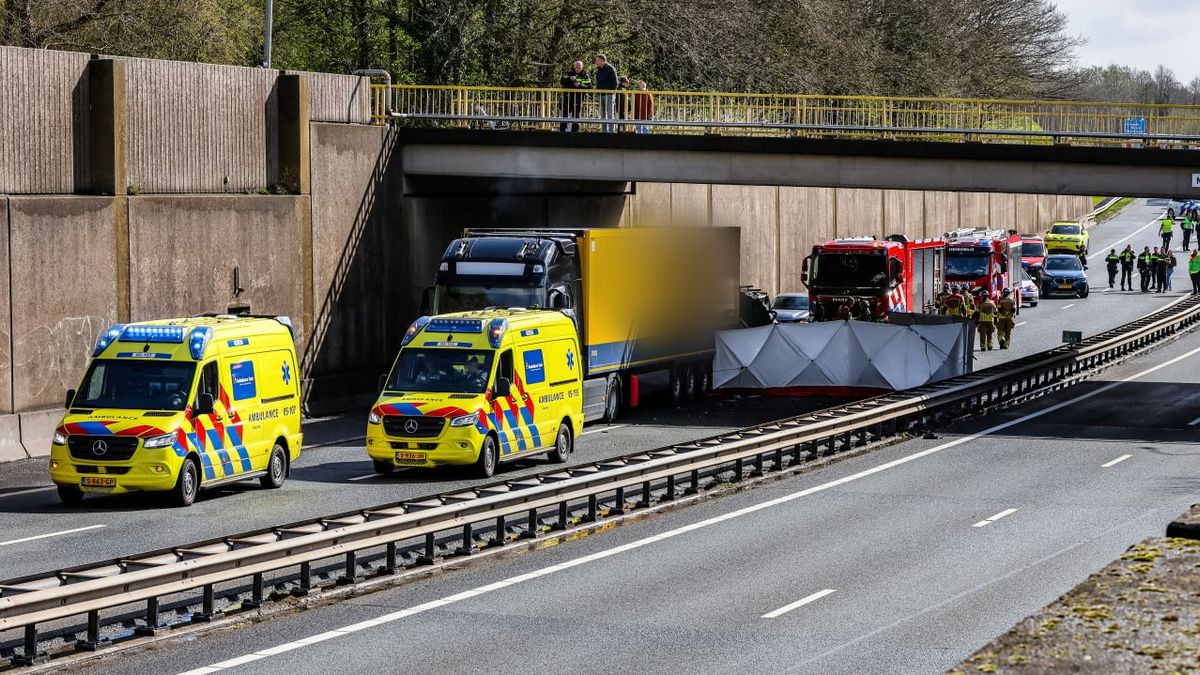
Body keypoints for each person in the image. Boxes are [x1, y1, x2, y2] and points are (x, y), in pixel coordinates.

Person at [559, 61, 590, 132]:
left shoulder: (585, 75)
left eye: (579, 67)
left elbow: (589, 86)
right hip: (567, 97)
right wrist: (569, 78)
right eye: (576, 67)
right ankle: (562, 131)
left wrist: (580, 85)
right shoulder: (568, 73)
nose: (578, 68)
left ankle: (575, 132)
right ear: (574, 67)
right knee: (565, 114)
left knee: (576, 115)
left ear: (582, 67)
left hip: (579, 98)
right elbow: (562, 81)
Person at [593, 54, 619, 133]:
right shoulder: (598, 70)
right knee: (602, 114)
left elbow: (615, 82)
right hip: (601, 95)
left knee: (610, 114)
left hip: (609, 95)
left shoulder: (610, 69)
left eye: (597, 60)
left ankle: (611, 132)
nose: (596, 62)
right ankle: (604, 132)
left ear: (602, 61)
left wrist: (611, 93)